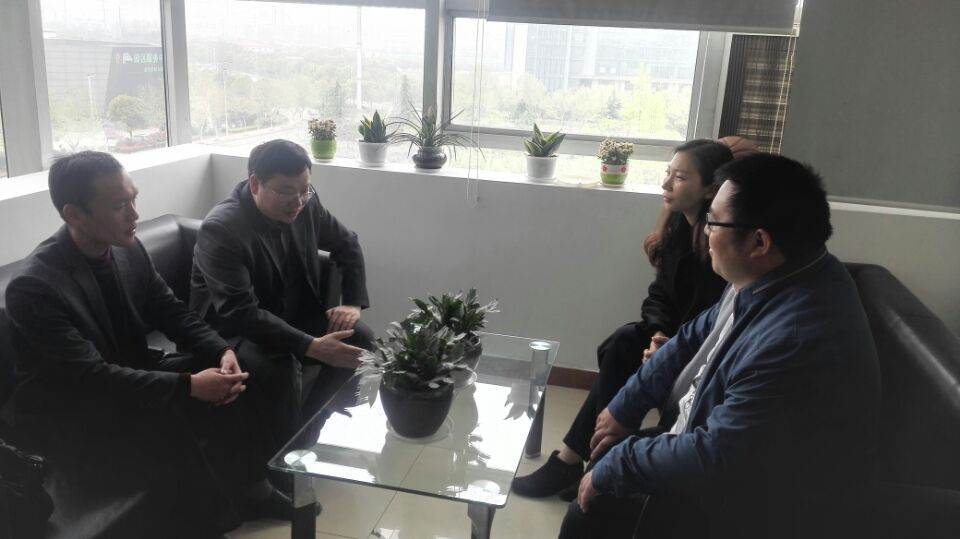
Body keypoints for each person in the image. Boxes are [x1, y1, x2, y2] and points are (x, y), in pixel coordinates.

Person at [561, 154, 881, 538]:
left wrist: (620, 464)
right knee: (606, 458)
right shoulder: (772, 275)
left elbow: (716, 455)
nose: (704, 233)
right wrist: (626, 405)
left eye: (713, 222)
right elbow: (691, 336)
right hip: (710, 442)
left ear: (759, 241)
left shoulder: (794, 340)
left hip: (755, 501)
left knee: (592, 505)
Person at [1, 151, 269, 537]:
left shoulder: (128, 248)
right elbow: (90, 377)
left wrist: (220, 351)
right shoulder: (35, 286)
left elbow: (171, 312)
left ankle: (254, 490)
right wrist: (189, 386)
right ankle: (210, 526)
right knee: (169, 424)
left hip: (128, 375)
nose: (135, 215)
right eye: (119, 205)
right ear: (74, 214)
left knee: (244, 372)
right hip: (71, 410)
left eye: (134, 199)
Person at [513, 139, 734, 499]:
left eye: (680, 178)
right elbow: (659, 295)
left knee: (621, 347)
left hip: (701, 351)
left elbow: (713, 320)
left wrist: (668, 348)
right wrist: (658, 334)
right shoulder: (678, 228)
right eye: (668, 173)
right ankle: (582, 461)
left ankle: (583, 463)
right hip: (671, 338)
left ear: (710, 189)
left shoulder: (721, 243)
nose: (666, 184)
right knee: (623, 344)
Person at [190, 139, 373, 452]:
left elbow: (347, 242)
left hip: (289, 314)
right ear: (255, 184)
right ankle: (283, 457)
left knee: (360, 337)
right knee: (281, 369)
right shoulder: (222, 229)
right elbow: (241, 313)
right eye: (287, 191)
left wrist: (352, 303)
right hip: (234, 332)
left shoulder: (307, 204)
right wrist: (312, 346)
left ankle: (307, 427)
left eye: (304, 189)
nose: (298, 201)